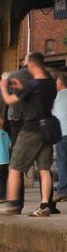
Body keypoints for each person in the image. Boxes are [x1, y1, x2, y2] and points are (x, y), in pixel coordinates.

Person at [0, 52, 57, 216]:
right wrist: (21, 88)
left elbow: (9, 100)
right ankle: (45, 205)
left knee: (15, 167)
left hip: (31, 129)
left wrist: (3, 86)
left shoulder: (32, 85)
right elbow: (36, 99)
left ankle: (13, 204)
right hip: (47, 129)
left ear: (31, 65)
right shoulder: (51, 83)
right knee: (44, 169)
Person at [53, 73, 67, 202]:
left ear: (61, 84)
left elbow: (52, 113)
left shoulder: (57, 97)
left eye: (56, 83)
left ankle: (63, 189)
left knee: (62, 161)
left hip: (62, 132)